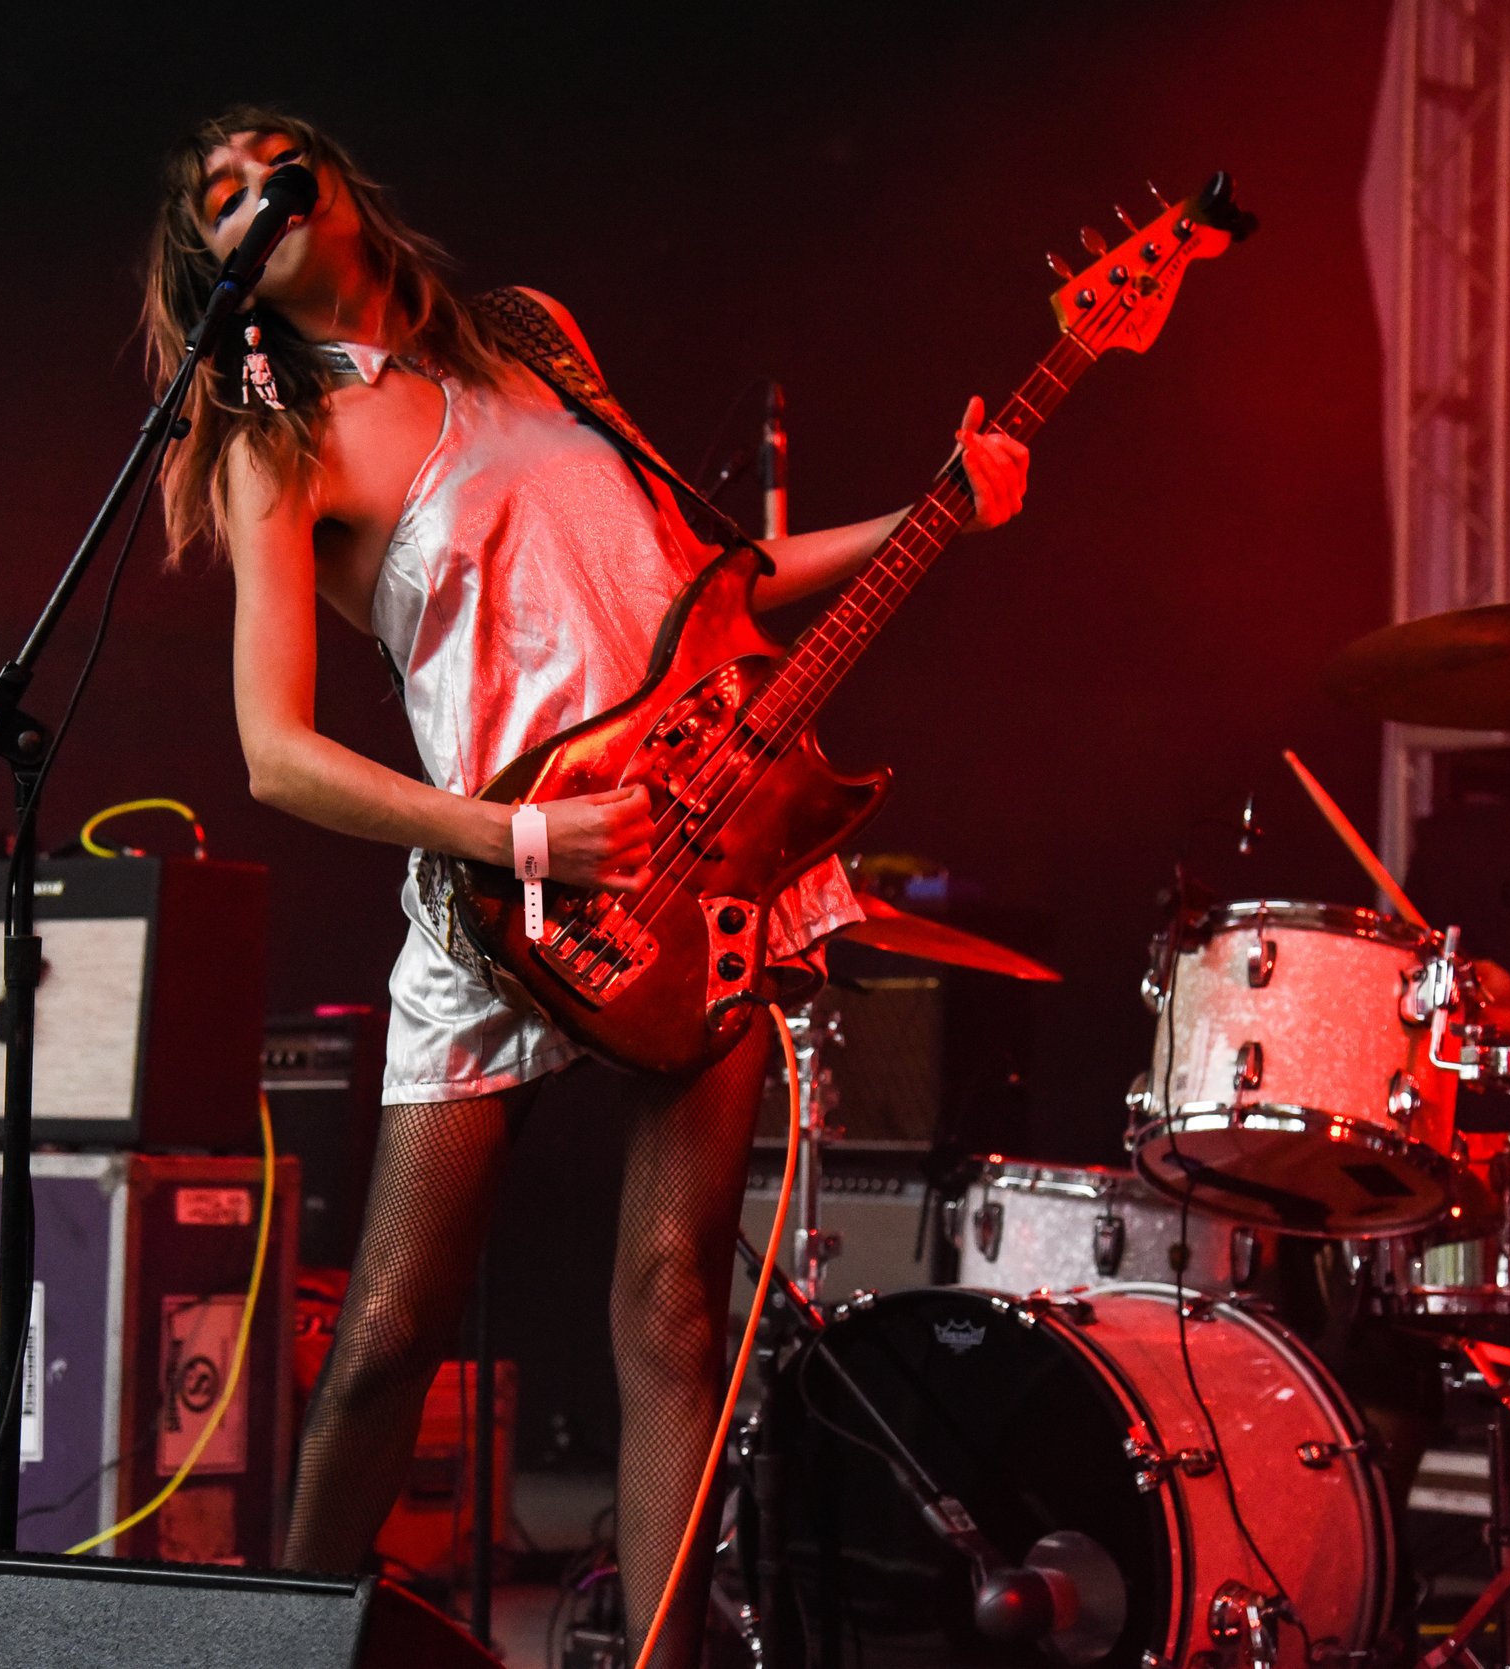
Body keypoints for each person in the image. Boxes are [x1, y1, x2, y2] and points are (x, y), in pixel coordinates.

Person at [140, 107, 1028, 1661]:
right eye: (222, 190)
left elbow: (717, 579)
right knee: (389, 1334)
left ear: (341, 181)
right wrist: (522, 841)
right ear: (208, 258)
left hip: (703, 861)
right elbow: (274, 756)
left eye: (280, 156)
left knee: (671, 1302)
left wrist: (940, 503)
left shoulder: (526, 338)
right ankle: (282, 1648)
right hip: (497, 900)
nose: (260, 184)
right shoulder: (271, 449)